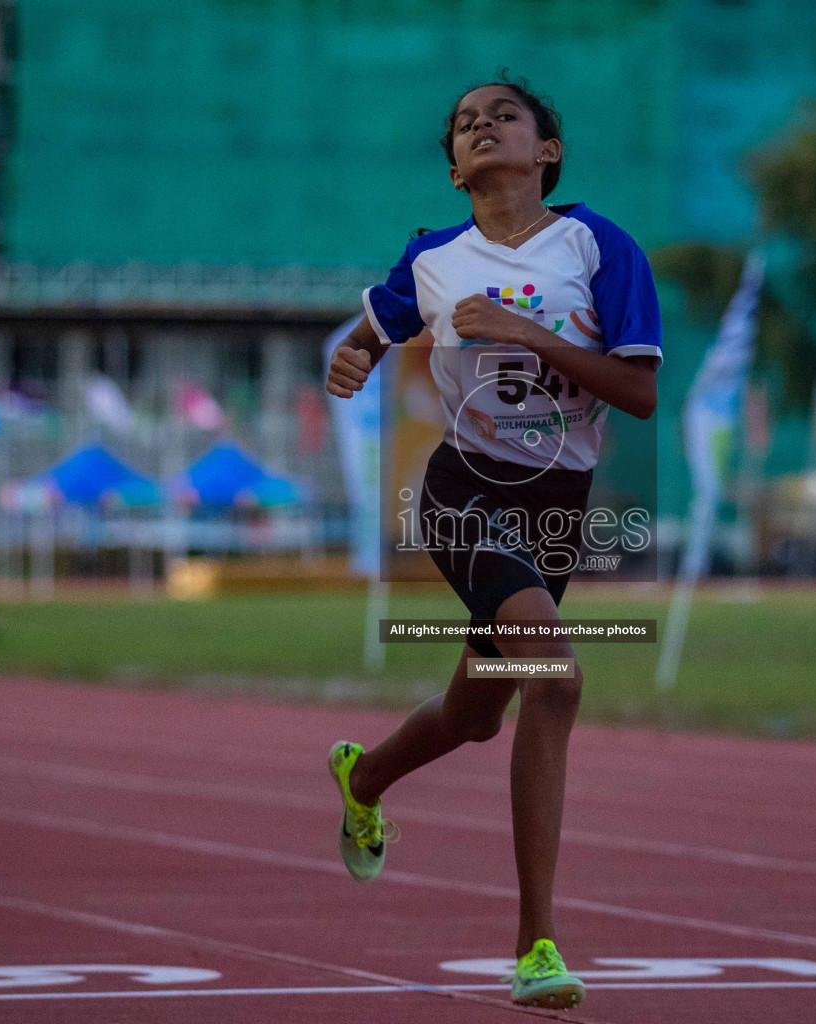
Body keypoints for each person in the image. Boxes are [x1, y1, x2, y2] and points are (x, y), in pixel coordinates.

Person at [323, 74, 661, 1010]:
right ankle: (536, 944)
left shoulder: (598, 247)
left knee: (480, 713)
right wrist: (354, 357)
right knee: (556, 678)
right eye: (465, 124)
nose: (481, 127)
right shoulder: (433, 259)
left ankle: (366, 775)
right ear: (453, 170)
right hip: (465, 493)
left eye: (502, 115)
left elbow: (637, 393)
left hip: (557, 508)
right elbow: (373, 329)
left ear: (545, 151)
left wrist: (523, 332)